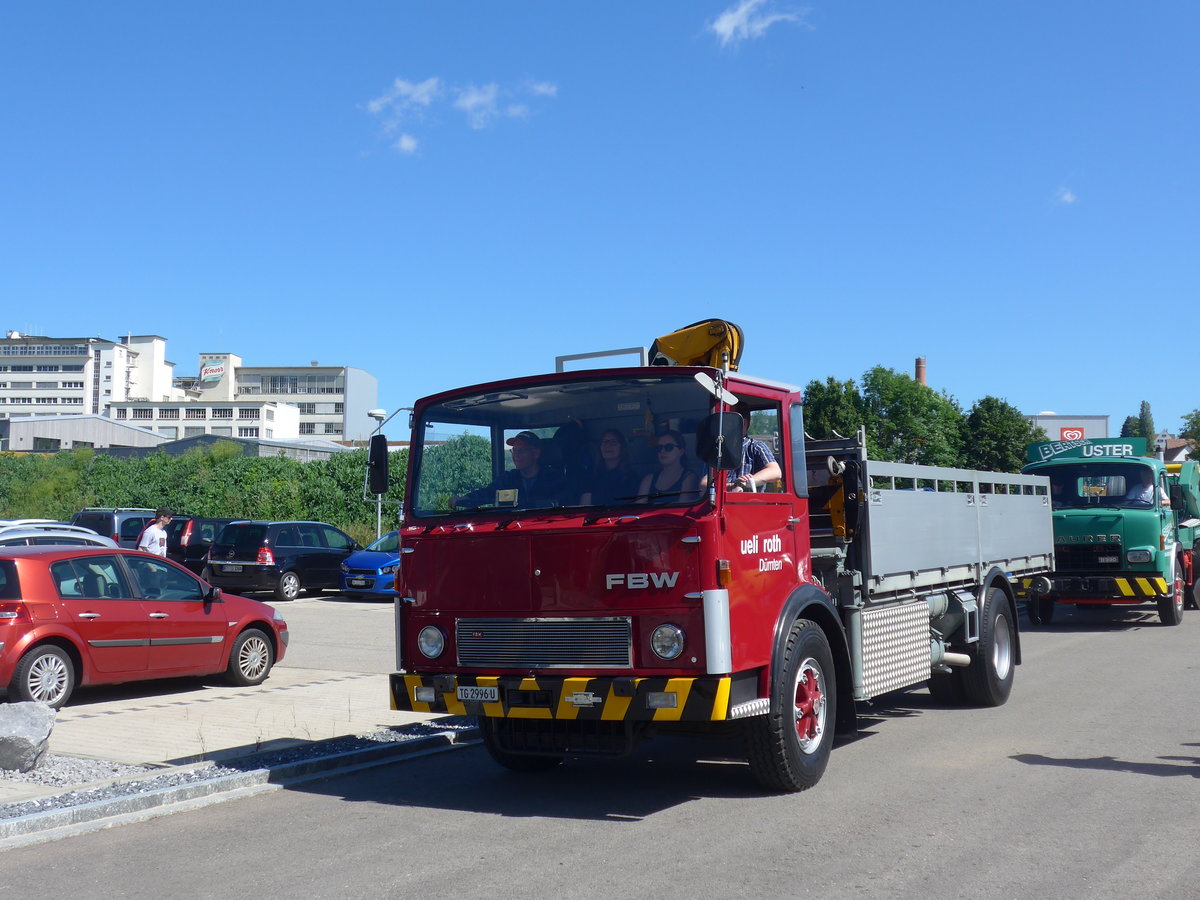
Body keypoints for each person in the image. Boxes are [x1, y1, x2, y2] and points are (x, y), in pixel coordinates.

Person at [452, 431, 568, 509]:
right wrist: (464, 499)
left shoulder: (556, 479)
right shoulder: (508, 479)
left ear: (536, 453)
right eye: (514, 451)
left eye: (521, 451)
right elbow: (487, 493)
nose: (516, 455)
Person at [580, 429, 640, 506]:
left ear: (622, 448)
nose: (608, 445)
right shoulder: (591, 477)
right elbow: (585, 507)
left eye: (613, 442)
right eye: (605, 441)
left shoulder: (631, 478)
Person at [637, 430, 700, 504]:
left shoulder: (689, 478)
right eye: (659, 447)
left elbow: (681, 508)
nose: (662, 451)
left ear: (681, 451)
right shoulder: (649, 479)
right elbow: (639, 506)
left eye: (669, 447)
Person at [728, 408, 782, 492]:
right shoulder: (719, 450)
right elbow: (704, 482)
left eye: (728, 421)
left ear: (743, 423)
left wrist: (745, 483)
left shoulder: (756, 447)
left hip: (749, 503)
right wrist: (733, 486)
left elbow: (775, 471)